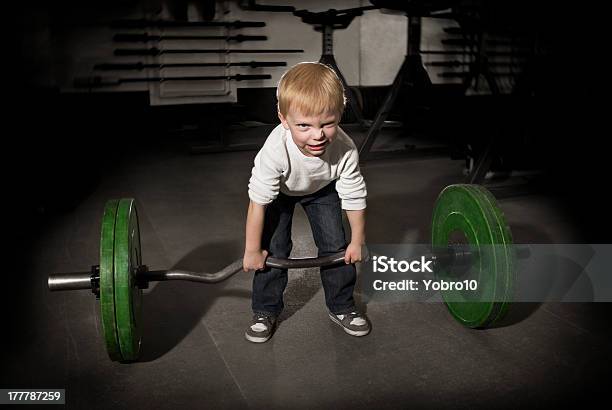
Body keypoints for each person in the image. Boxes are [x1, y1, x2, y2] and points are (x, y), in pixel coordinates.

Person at [243, 62, 370, 343]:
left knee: (336, 247)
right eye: (304, 125)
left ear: (340, 115)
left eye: (328, 123)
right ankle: (265, 310)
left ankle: (342, 306)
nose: (317, 135)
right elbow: (258, 202)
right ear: (283, 119)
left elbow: (354, 195)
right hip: (280, 193)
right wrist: (253, 250)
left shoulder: (345, 149)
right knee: (273, 250)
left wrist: (357, 241)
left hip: (322, 190)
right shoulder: (275, 150)